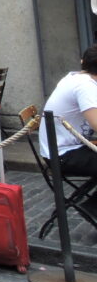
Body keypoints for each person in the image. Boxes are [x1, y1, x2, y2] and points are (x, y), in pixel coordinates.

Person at [41, 44, 97, 214]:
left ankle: (92, 206)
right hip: (63, 155)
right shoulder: (85, 86)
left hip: (64, 148)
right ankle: (93, 207)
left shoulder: (76, 78)